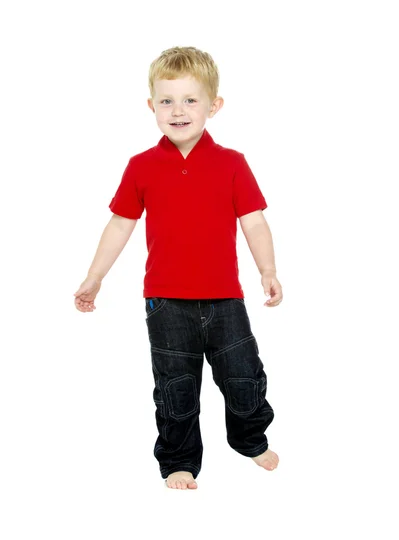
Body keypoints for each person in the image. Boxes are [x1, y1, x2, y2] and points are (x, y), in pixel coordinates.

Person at [74, 46, 283, 490]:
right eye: (166, 101)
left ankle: (250, 439)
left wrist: (267, 269)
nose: (178, 110)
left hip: (226, 299)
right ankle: (179, 460)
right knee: (175, 388)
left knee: (244, 374)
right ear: (152, 106)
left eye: (190, 99)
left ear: (214, 105)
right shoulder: (141, 166)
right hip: (166, 303)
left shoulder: (232, 164)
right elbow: (119, 225)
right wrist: (95, 277)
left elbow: (255, 221)